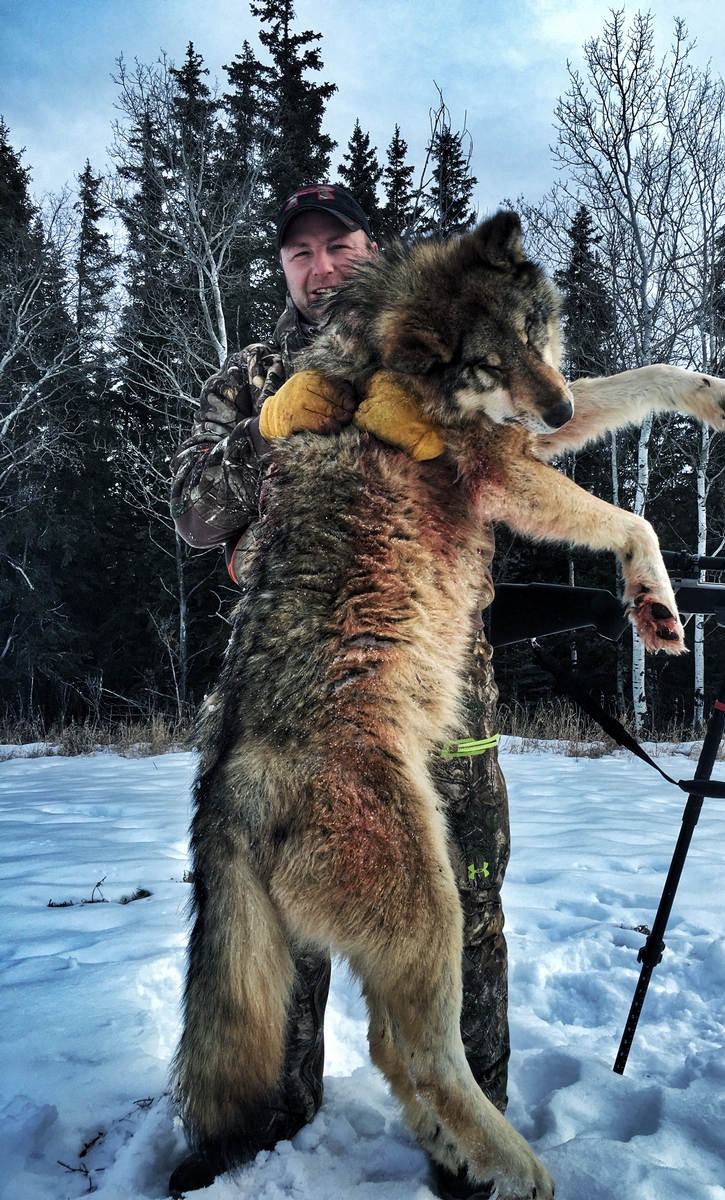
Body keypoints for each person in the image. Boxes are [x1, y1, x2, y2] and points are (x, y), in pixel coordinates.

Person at [169, 184, 510, 1200]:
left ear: (373, 248)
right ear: (283, 269)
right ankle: (264, 1107)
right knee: (268, 897)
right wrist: (266, 429)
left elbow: (506, 460)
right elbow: (192, 512)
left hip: (427, 689)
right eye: (299, 253)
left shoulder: (440, 341)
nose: (319, 266)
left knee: (466, 898)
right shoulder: (253, 373)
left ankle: (470, 1130)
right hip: (288, 696)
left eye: (338, 243)